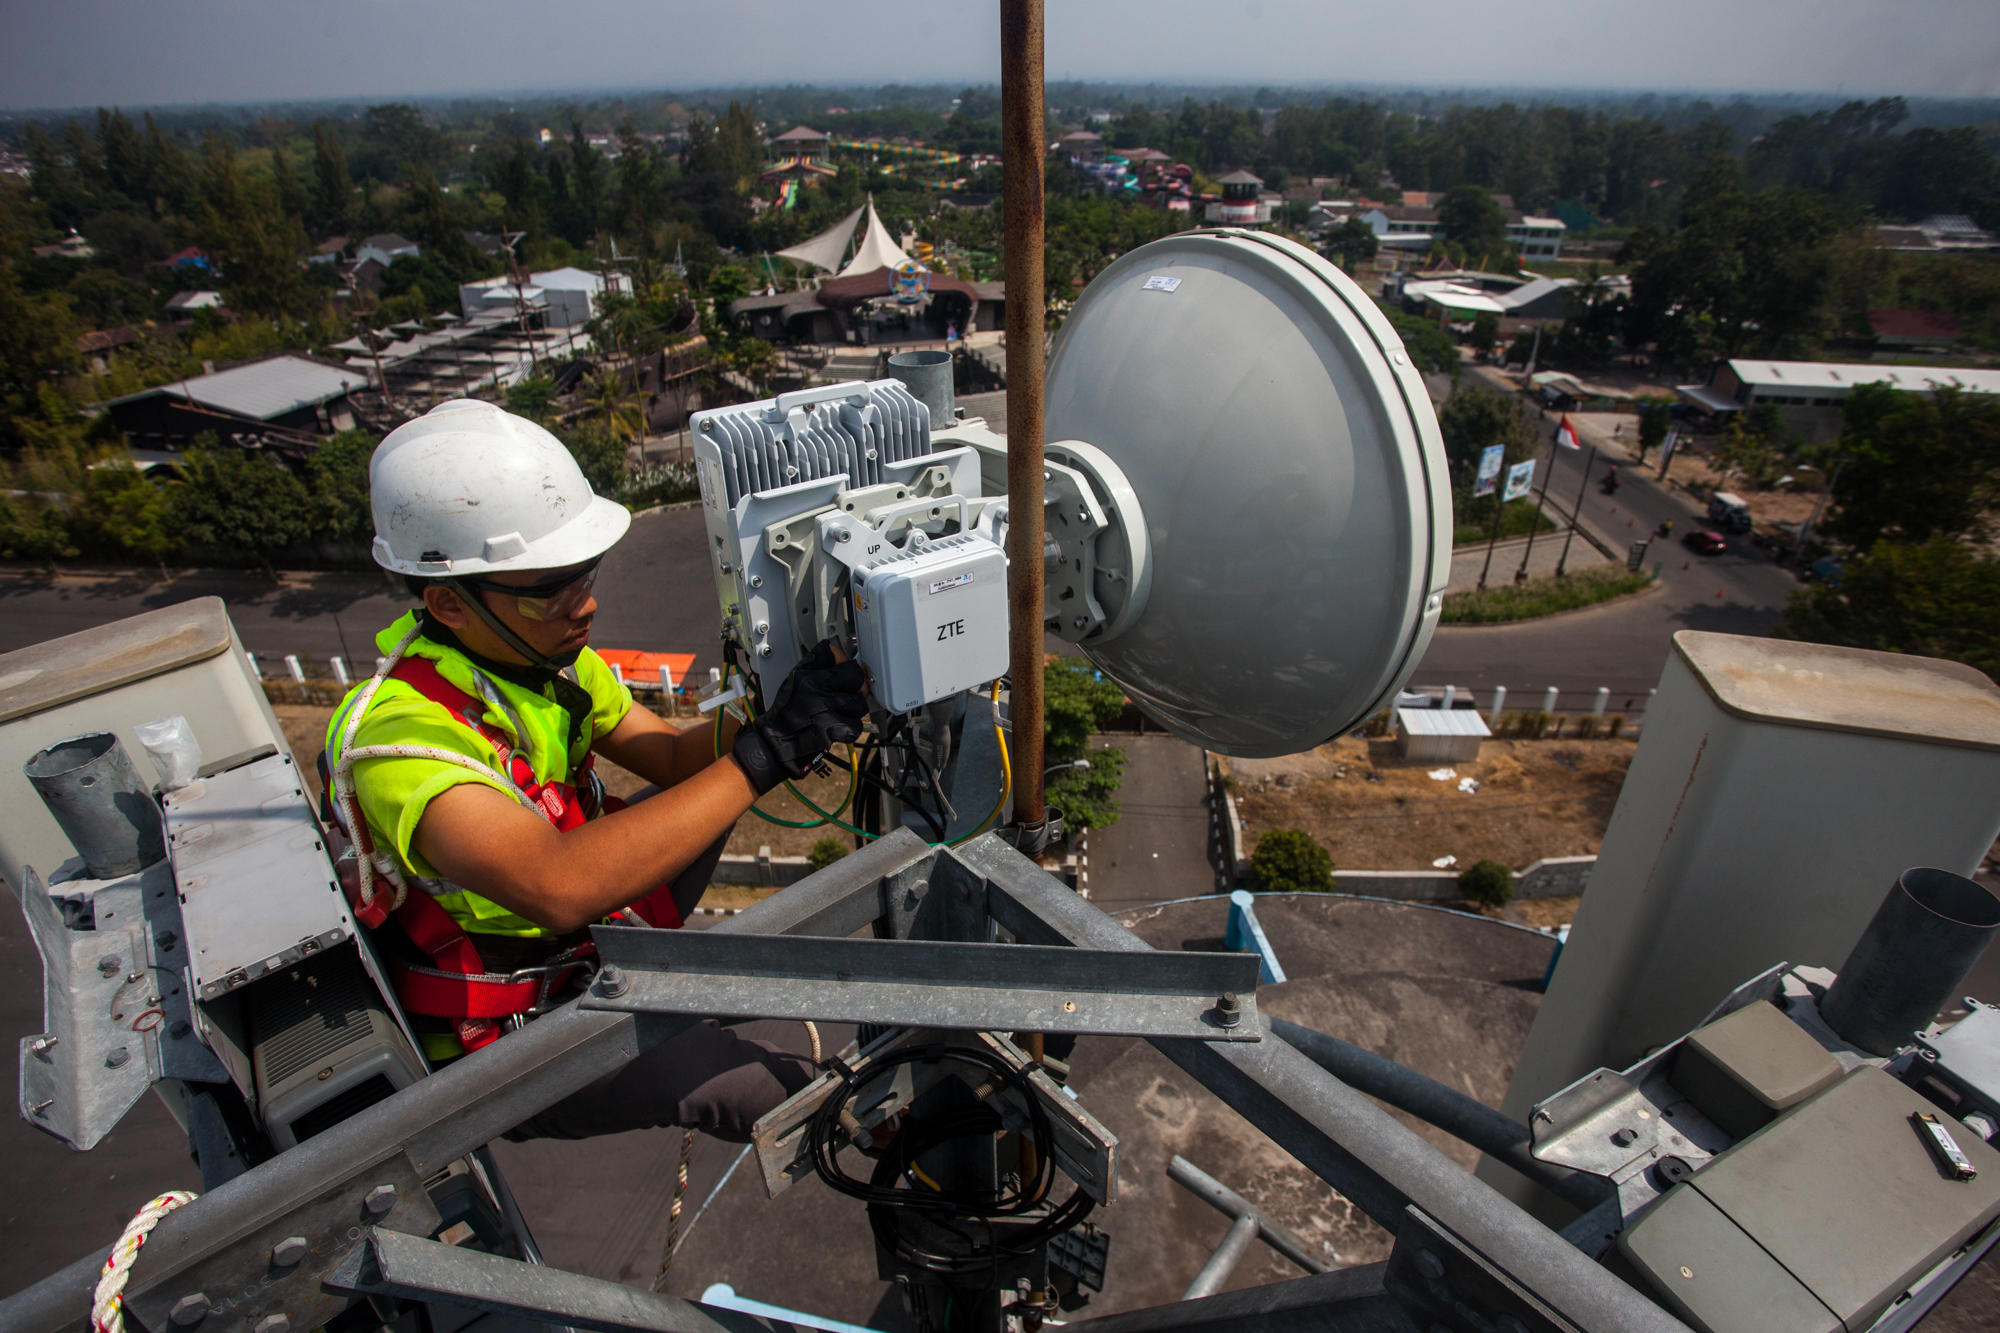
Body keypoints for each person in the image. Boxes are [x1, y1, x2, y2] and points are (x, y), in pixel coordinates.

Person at [324, 399, 869, 1141]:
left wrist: (787, 705)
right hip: (505, 1023)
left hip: (585, 938)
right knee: (735, 1082)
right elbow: (556, 885)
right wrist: (769, 750)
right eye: (552, 590)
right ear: (448, 602)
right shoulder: (402, 740)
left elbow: (676, 758)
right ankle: (885, 1142)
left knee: (708, 793)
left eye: (585, 575)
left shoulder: (550, 664)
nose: (587, 605)